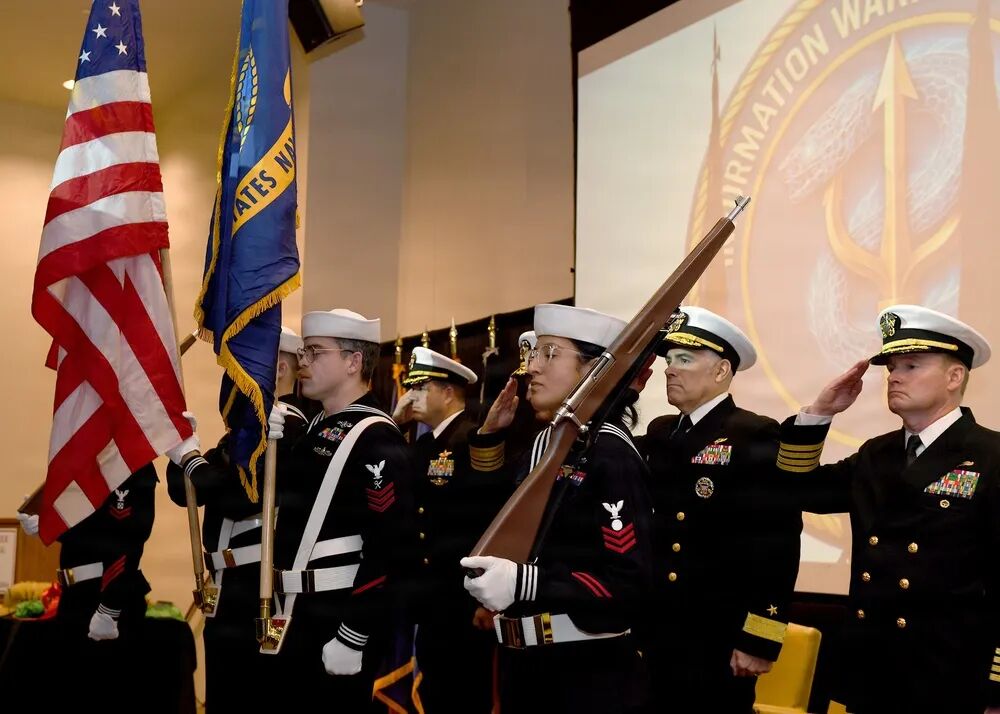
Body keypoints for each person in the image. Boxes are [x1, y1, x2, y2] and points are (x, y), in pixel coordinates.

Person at [778, 304, 1000, 714]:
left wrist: (996, 686)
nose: (895, 376)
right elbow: (796, 491)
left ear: (954, 377)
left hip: (948, 676)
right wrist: (820, 413)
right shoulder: (876, 454)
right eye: (893, 368)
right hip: (871, 670)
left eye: (911, 366)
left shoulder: (991, 456)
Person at [461, 303, 655, 714]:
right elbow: (497, 525)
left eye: (550, 353)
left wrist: (526, 583)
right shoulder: (548, 445)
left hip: (586, 674)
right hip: (527, 666)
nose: (532, 367)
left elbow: (627, 584)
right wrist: (489, 437)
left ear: (595, 370)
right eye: (534, 353)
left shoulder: (609, 453)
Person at [636, 306, 802, 713]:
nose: (670, 370)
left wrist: (760, 639)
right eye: (669, 360)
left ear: (721, 370)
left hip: (717, 638)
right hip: (657, 632)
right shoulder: (661, 431)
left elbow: (778, 545)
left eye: (685, 359)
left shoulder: (753, 433)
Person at [268, 308, 414, 709]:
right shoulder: (316, 426)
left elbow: (389, 546)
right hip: (297, 611)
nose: (304, 362)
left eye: (315, 352)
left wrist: (354, 633)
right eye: (304, 352)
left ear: (353, 362)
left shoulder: (377, 437)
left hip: (336, 617)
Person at [163, 326, 309, 711]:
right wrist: (180, 451)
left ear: (278, 369)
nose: (233, 377)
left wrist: (193, 461)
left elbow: (239, 495)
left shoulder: (288, 427)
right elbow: (186, 493)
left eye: (243, 365)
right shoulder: (241, 436)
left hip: (260, 586)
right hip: (225, 586)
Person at [392, 346, 505, 713]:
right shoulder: (424, 443)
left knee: (463, 694)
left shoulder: (473, 439)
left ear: (448, 392)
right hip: (428, 596)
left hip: (462, 599)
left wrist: (484, 600)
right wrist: (395, 426)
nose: (412, 396)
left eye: (421, 388)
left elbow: (488, 519)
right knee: (433, 694)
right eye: (411, 387)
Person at [17, 463, 158, 711]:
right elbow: (86, 524)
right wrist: (47, 523)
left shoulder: (127, 459)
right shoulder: (83, 458)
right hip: (75, 596)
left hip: (109, 596)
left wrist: (110, 608)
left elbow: (128, 539)